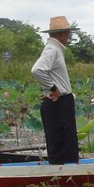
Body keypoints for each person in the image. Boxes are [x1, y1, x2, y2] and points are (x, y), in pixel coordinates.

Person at [31, 16, 80, 164]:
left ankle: (65, 176)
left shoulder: (55, 49)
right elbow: (37, 70)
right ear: (61, 34)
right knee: (62, 146)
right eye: (67, 33)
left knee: (65, 143)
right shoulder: (52, 50)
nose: (69, 36)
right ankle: (62, 178)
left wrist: (51, 88)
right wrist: (53, 88)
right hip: (59, 104)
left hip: (61, 103)